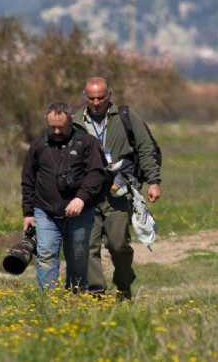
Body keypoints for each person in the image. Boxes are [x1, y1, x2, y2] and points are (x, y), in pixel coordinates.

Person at [72, 77, 162, 301]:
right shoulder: (75, 123)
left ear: (109, 96)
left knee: (118, 244)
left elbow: (145, 148)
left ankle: (124, 286)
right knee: (88, 246)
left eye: (100, 98)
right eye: (91, 98)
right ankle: (96, 294)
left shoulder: (126, 117)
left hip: (118, 192)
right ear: (85, 98)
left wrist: (154, 181)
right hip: (88, 195)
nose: (96, 102)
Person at [21, 102, 107, 291]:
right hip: (45, 212)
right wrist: (28, 213)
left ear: (71, 119)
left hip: (80, 213)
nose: (57, 131)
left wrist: (81, 198)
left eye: (61, 126)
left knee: (77, 259)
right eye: (52, 127)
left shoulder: (86, 142)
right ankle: (49, 302)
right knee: (45, 256)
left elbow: (96, 174)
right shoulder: (38, 146)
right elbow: (28, 180)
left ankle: (74, 300)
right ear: (46, 121)